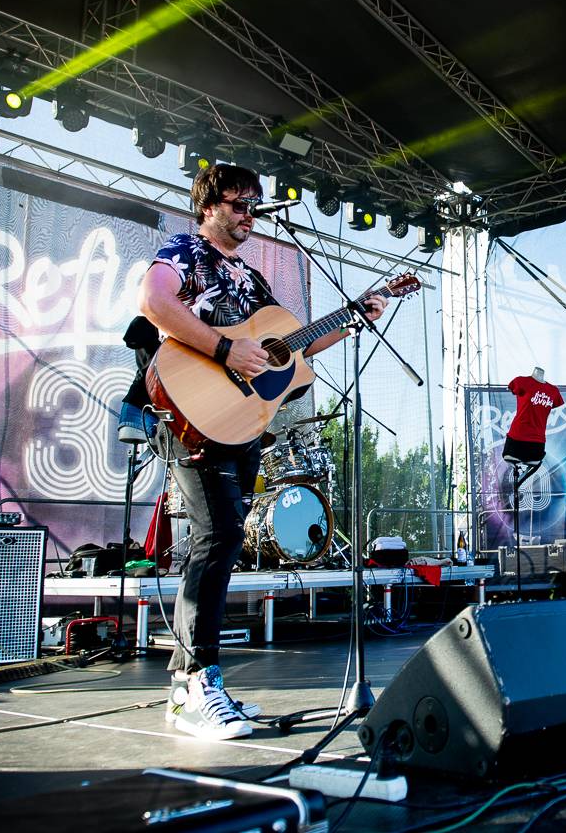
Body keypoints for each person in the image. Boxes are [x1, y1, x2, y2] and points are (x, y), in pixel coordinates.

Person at [140, 162, 385, 740]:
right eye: (239, 202)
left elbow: (292, 347)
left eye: (255, 202)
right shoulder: (184, 252)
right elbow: (154, 303)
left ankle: (204, 685)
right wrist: (225, 349)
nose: (250, 211)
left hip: (242, 422)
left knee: (224, 539)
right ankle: (191, 686)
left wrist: (355, 318)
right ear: (209, 204)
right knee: (217, 536)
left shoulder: (250, 280)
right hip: (187, 411)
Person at [504, 366, 563, 464]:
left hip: (537, 442)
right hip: (517, 439)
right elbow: (512, 387)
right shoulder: (521, 381)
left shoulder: (553, 391)